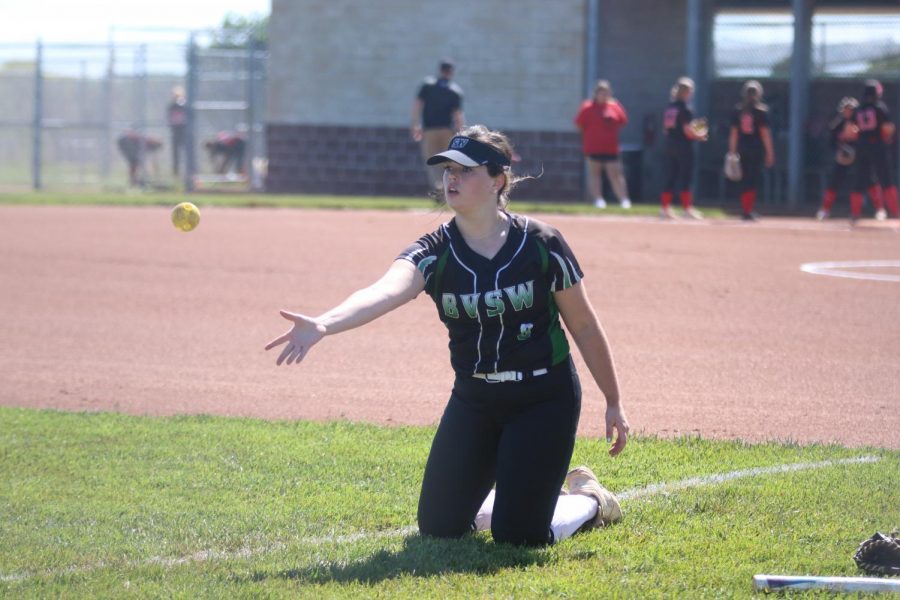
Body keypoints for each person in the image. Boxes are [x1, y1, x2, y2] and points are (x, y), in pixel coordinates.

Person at [266, 125, 629, 547]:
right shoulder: (434, 250)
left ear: (498, 180)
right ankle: (521, 489)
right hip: (475, 400)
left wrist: (614, 400)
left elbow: (583, 324)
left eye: (465, 170)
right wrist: (325, 323)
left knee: (520, 535)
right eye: (446, 169)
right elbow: (386, 289)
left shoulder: (541, 243)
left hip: (543, 398)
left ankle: (589, 499)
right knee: (440, 526)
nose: (450, 178)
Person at [575, 80, 632, 209]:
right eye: (601, 93)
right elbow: (579, 124)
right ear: (596, 94)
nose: (604, 96)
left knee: (616, 174)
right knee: (595, 174)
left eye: (606, 93)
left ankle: (624, 200)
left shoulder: (614, 106)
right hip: (593, 147)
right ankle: (598, 199)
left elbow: (623, 121)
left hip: (611, 147)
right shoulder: (587, 107)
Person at [410, 60, 465, 193]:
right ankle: (450, 187)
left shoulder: (428, 86)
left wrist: (415, 124)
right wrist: (462, 133)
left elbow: (417, 105)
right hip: (447, 131)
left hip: (430, 130)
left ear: (440, 70)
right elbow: (458, 115)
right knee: (449, 161)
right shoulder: (455, 90)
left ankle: (439, 187)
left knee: (432, 160)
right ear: (451, 72)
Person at [849, 79, 898, 222]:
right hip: (877, 145)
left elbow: (852, 129)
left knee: (860, 178)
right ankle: (895, 212)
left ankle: (855, 213)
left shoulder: (858, 109)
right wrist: (887, 138)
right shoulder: (879, 107)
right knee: (886, 178)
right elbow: (888, 127)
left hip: (862, 146)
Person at [660, 77, 707, 220]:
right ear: (686, 92)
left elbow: (666, 129)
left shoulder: (670, 107)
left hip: (670, 144)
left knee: (671, 176)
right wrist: (700, 134)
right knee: (686, 176)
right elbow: (688, 131)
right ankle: (687, 209)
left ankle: (665, 208)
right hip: (683, 145)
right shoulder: (685, 109)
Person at [727, 80, 775, 221]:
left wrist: (732, 151)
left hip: (742, 147)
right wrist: (770, 152)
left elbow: (734, 133)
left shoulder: (738, 110)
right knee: (752, 179)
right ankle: (748, 210)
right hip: (756, 148)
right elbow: (764, 133)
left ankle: (746, 209)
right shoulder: (761, 111)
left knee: (744, 179)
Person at [816, 97, 863, 221]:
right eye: (846, 110)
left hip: (858, 157)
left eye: (851, 110)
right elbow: (831, 140)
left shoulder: (860, 123)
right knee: (834, 182)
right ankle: (825, 210)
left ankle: (858, 212)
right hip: (843, 158)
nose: (848, 112)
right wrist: (839, 148)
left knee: (862, 182)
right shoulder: (837, 124)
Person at [166, 86, 188, 177]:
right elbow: (170, 119)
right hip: (175, 131)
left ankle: (189, 172)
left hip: (185, 132)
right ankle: (176, 173)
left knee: (187, 153)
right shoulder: (171, 106)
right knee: (176, 154)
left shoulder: (185, 106)